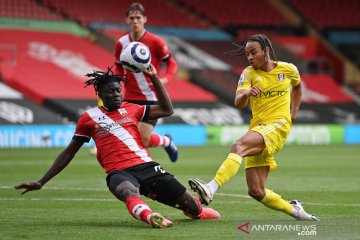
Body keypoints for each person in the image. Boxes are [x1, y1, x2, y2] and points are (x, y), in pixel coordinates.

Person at [14, 66, 220, 228]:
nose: (116, 94)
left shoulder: (132, 109)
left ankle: (196, 209)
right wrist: (42, 181)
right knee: (127, 191)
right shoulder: (88, 119)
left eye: (118, 90)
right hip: (118, 172)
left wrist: (155, 79)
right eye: (110, 91)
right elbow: (69, 151)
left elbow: (167, 109)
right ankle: (150, 217)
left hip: (147, 166)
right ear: (100, 93)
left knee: (193, 209)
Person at [188, 34, 320, 221]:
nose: (249, 57)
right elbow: (238, 102)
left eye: (253, 52)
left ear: (266, 51)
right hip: (259, 128)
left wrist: (294, 111)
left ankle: (210, 188)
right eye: (247, 54)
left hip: (278, 125)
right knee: (256, 191)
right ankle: (295, 210)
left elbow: (297, 87)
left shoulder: (288, 69)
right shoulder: (248, 73)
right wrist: (247, 93)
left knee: (238, 146)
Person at [112, 2, 178, 162]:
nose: (135, 21)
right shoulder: (121, 43)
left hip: (151, 97)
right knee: (129, 140)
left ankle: (167, 142)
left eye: (138, 17)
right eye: (132, 18)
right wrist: (118, 81)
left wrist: (164, 79)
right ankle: (165, 141)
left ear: (145, 19)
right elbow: (118, 67)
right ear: (127, 19)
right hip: (129, 98)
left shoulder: (156, 41)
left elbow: (172, 63)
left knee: (143, 140)